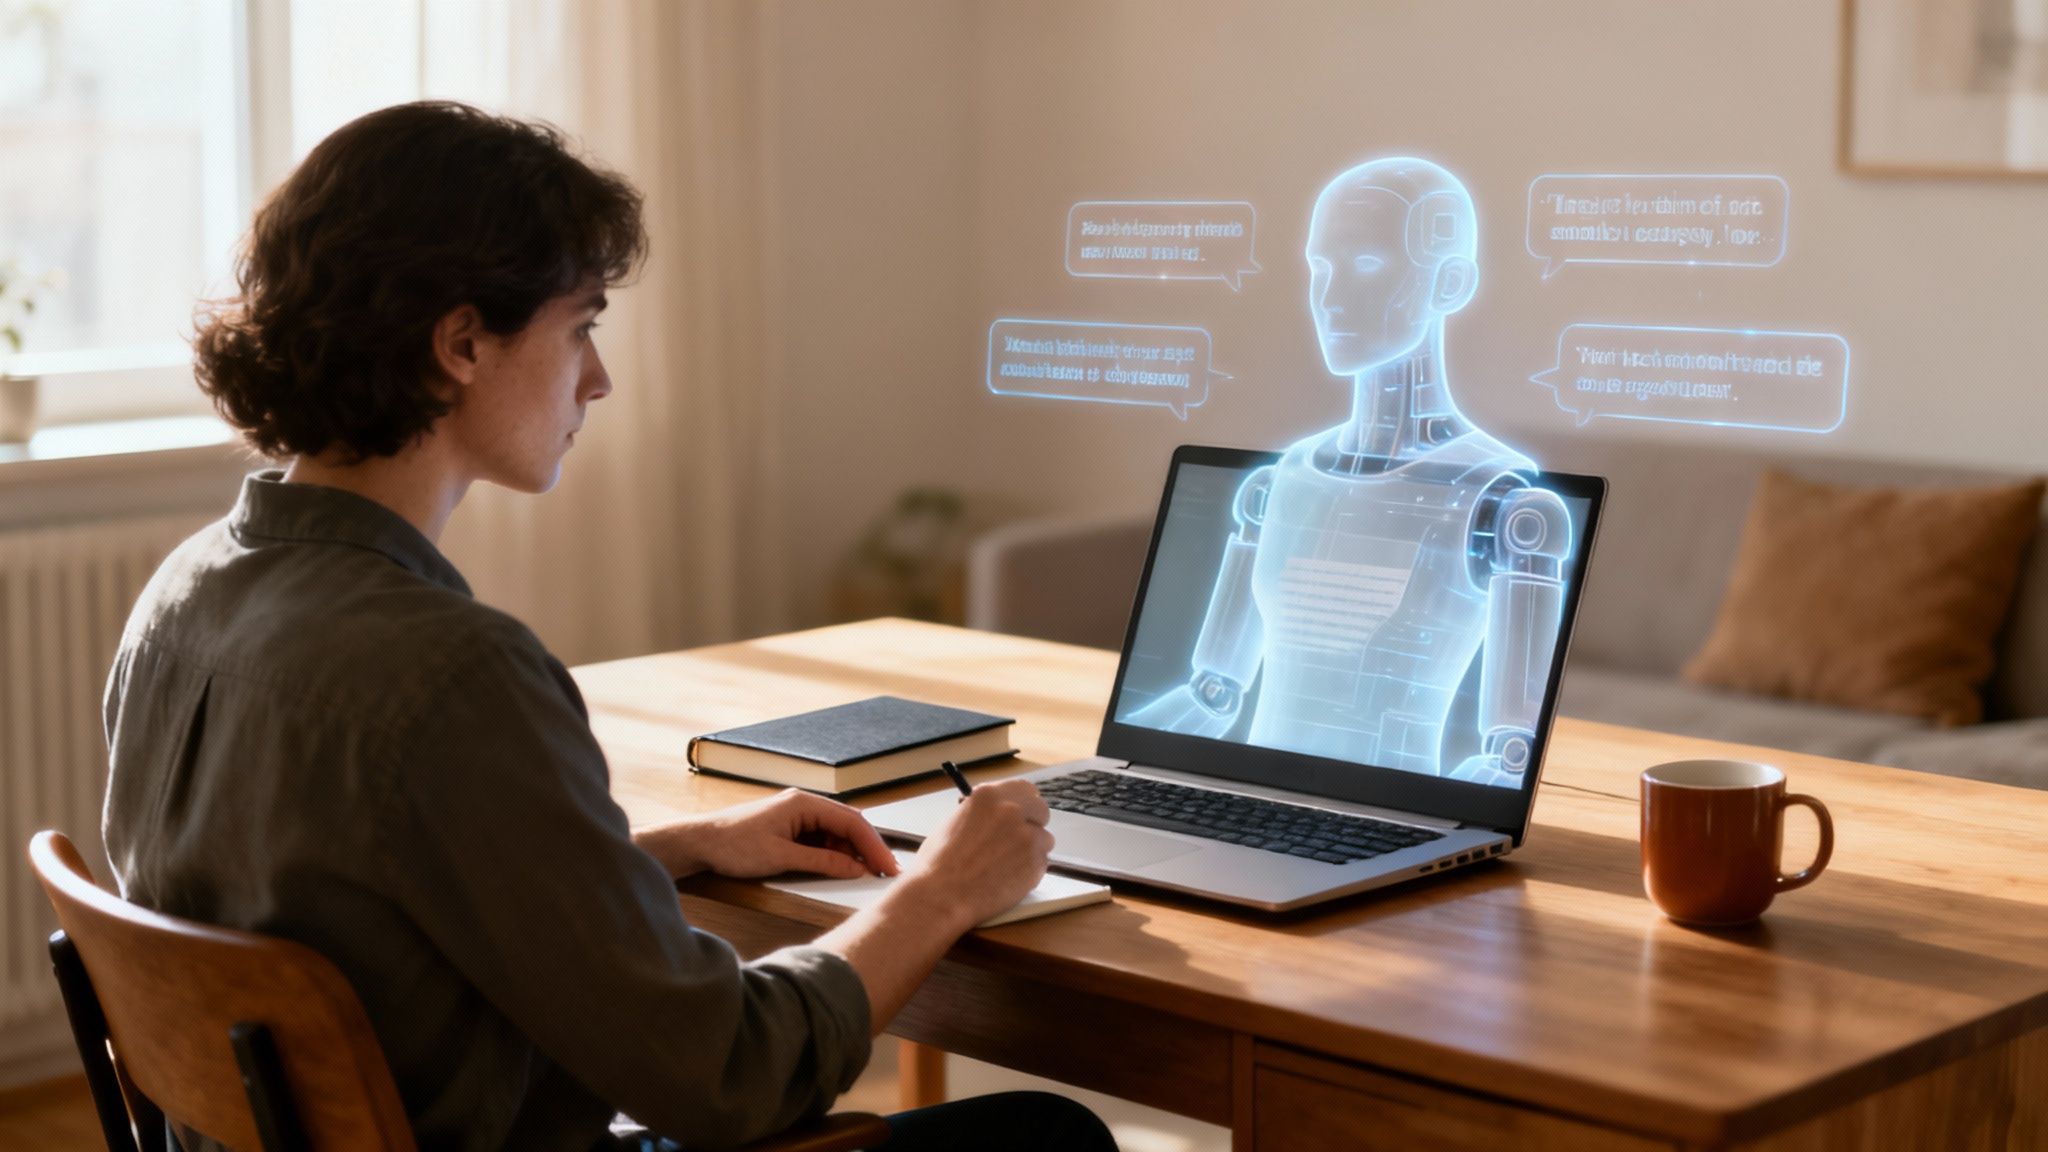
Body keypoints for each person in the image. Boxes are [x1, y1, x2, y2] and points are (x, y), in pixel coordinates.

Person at [102, 100, 1116, 1152]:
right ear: (460, 343)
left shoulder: (184, 596)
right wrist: (944, 889)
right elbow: (734, 1078)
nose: (599, 377)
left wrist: (670, 851)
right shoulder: (453, 674)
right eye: (579, 325)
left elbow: (364, 900)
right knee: (1044, 1135)